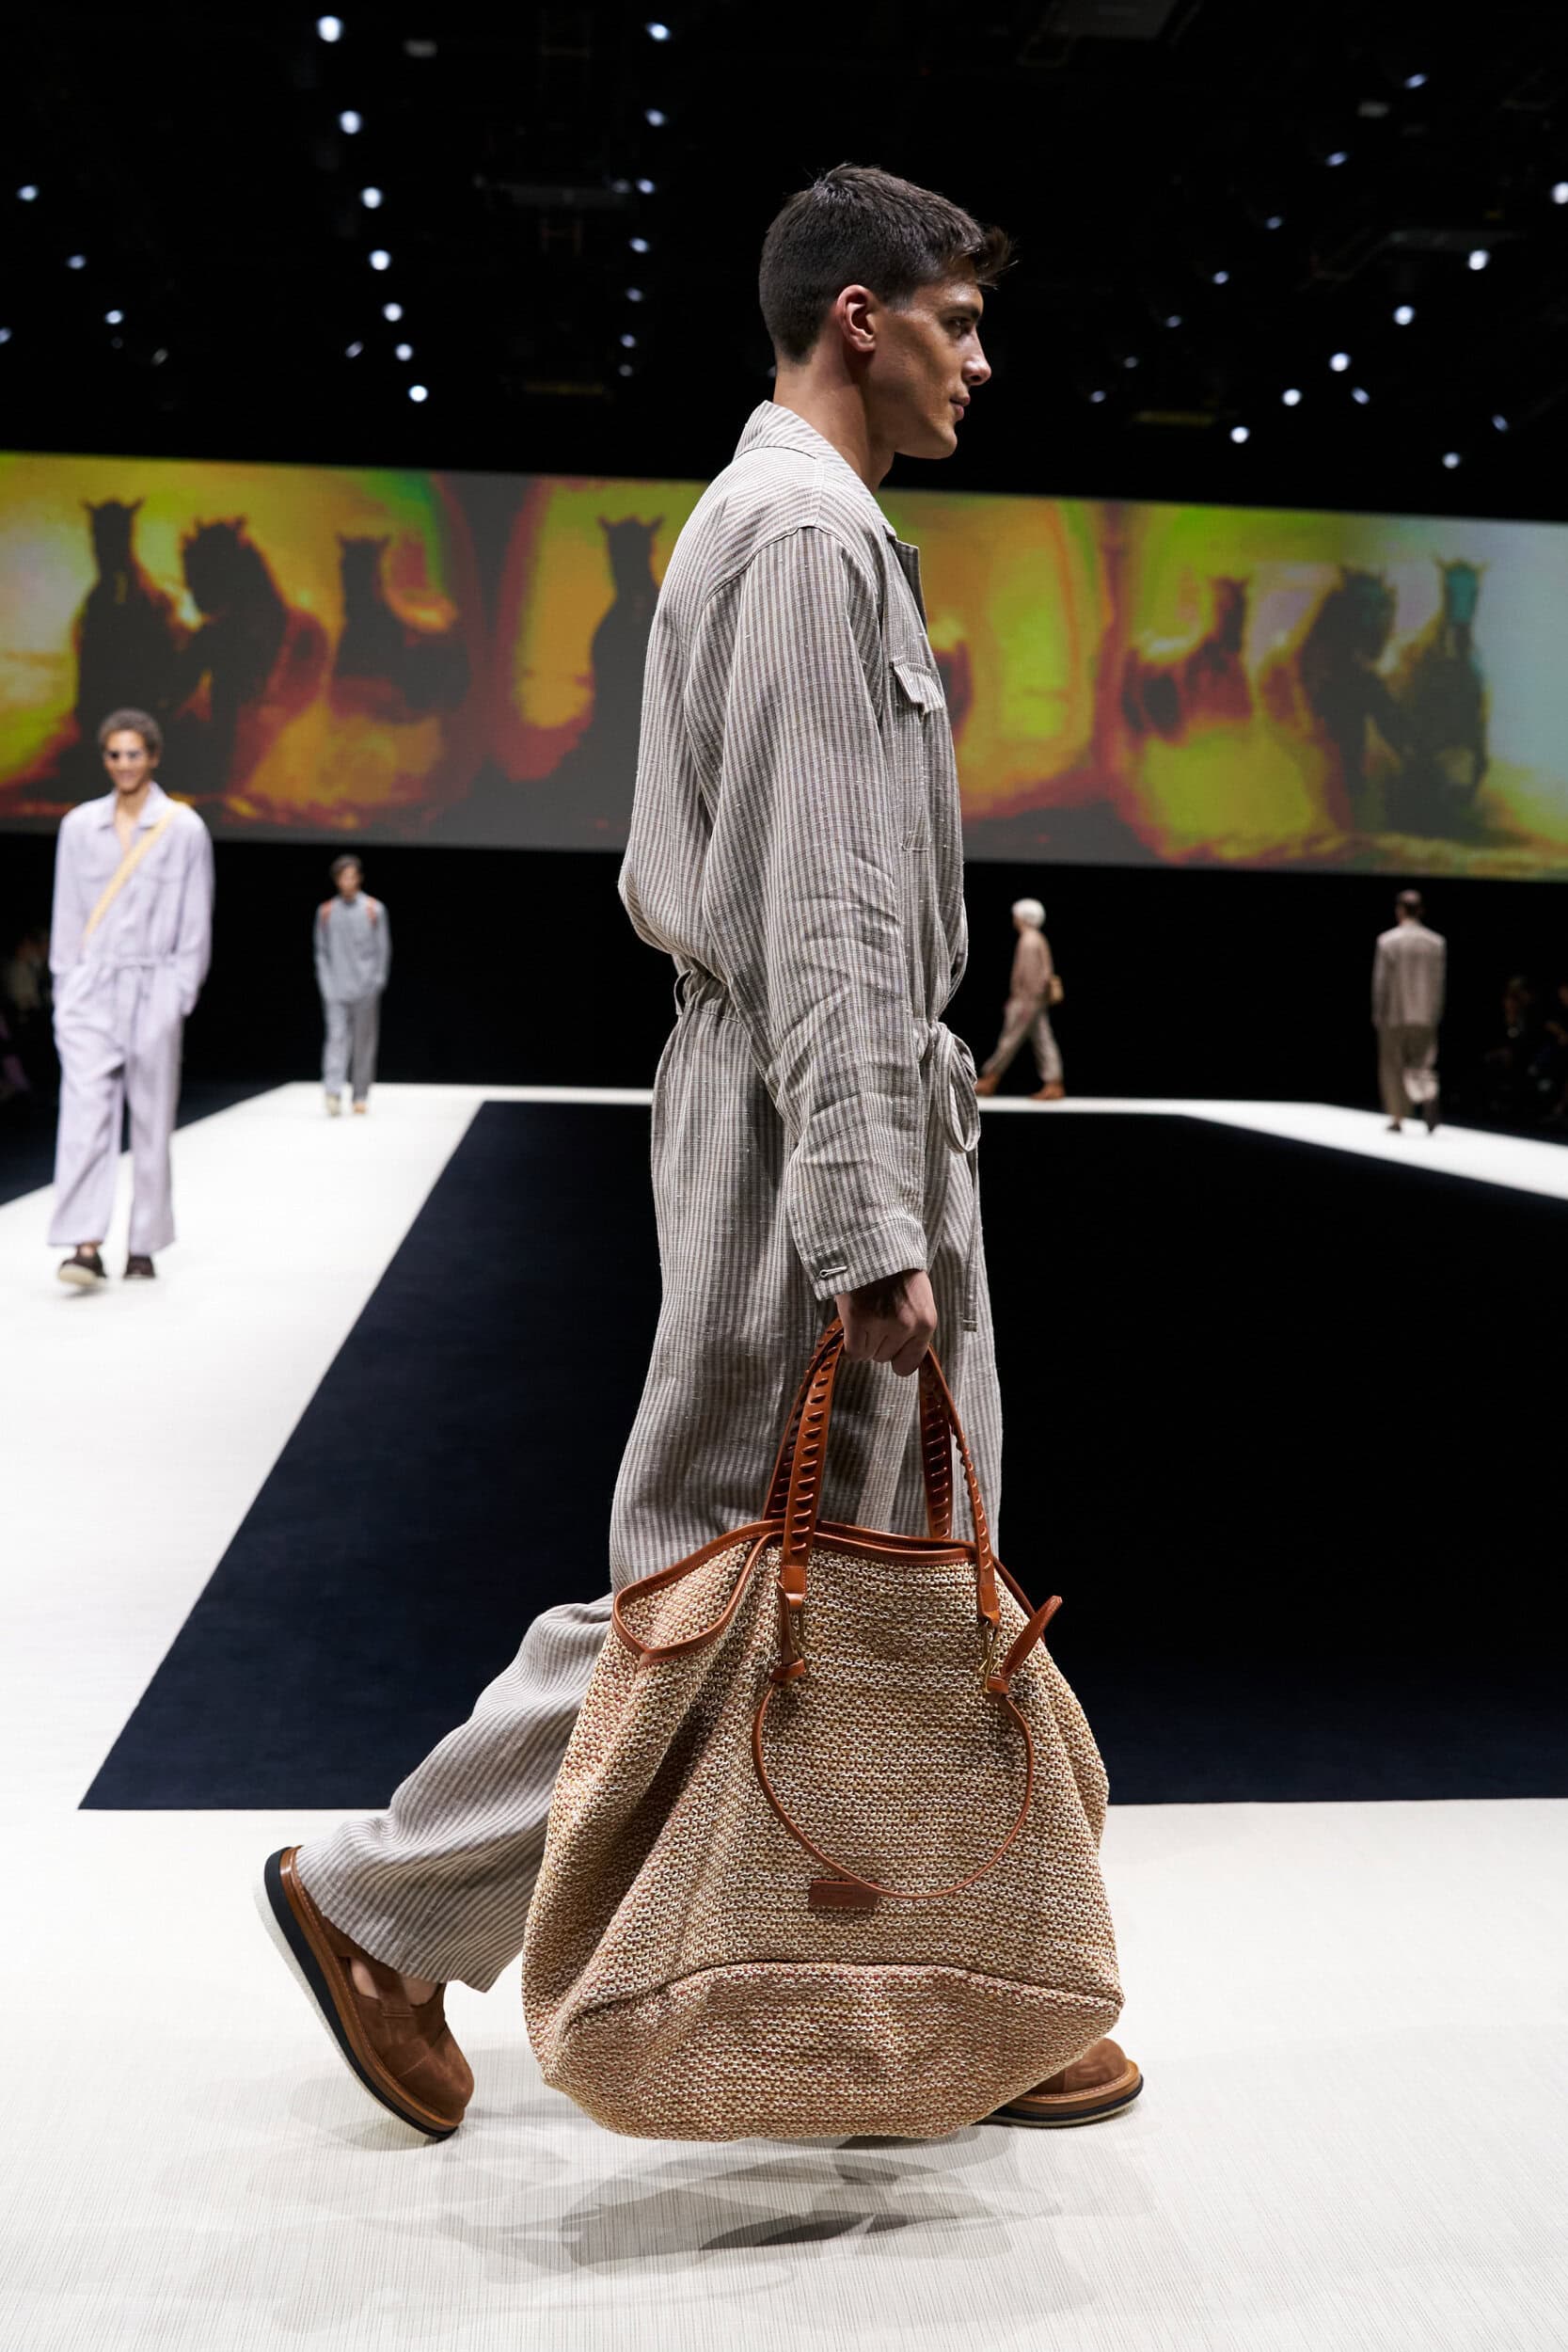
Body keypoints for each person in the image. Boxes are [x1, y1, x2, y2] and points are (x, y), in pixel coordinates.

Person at [259, 165, 1140, 2142]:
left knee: (893, 1555)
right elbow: (816, 904)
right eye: (956, 323)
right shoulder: (803, 538)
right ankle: (376, 1905)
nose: (979, 361)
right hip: (812, 1110)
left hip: (836, 1095)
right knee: (721, 1577)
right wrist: (864, 1221)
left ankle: (955, 1981)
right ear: (855, 319)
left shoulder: (804, 528)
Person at [47, 707, 214, 1285]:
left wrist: (179, 994)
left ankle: (143, 1244)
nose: (123, 764)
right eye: (114, 755)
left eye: (134, 754)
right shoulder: (79, 826)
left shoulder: (183, 828)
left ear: (154, 757)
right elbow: (67, 911)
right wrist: (66, 986)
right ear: (105, 759)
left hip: (155, 985)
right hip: (91, 988)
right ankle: (85, 1245)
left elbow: (195, 919)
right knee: (84, 1117)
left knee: (150, 1119)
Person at [314, 854, 390, 1116]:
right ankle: (333, 1092)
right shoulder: (326, 911)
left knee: (363, 1044)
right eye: (343, 877)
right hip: (336, 989)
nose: (348, 881)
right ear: (337, 880)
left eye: (352, 876)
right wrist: (326, 986)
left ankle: (360, 1094)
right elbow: (321, 952)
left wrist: (376, 982)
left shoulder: (373, 909)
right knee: (335, 1039)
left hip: (365, 989)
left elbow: (382, 949)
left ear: (359, 878)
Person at [974, 898, 1064, 1102]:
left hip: (1027, 1002)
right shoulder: (1036, 938)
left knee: (1009, 1040)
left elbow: (1031, 978)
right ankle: (1054, 1083)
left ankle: (990, 1078)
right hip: (1033, 1002)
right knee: (1043, 1041)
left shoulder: (1029, 941)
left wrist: (1023, 1003)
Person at [1372, 888, 1446, 1135]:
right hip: (1424, 1013)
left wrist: (1378, 1012)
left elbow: (1381, 982)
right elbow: (1438, 981)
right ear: (1421, 910)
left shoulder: (1387, 941)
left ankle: (1397, 1117)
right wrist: (1435, 1012)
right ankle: (1429, 1093)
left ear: (1400, 910)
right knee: (1423, 1063)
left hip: (1394, 1013)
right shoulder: (1435, 943)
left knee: (1392, 1066)